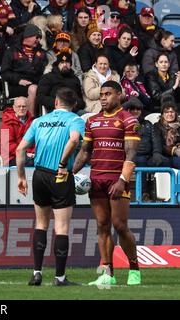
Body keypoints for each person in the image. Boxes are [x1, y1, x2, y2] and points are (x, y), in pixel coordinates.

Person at [73, 81, 142, 286]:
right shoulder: (92, 121)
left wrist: (123, 179)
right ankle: (107, 272)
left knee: (120, 226)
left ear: (119, 95)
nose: (103, 98)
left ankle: (134, 268)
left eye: (108, 94)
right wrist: (69, 173)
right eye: (101, 94)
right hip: (96, 180)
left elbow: (131, 152)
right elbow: (85, 151)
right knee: (102, 226)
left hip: (117, 180)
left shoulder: (128, 120)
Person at [16, 87, 85, 286]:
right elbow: (73, 139)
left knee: (41, 224)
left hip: (39, 175)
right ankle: (60, 278)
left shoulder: (38, 121)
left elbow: (21, 149)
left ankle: (36, 273)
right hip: (60, 175)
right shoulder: (75, 120)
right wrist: (63, 164)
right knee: (61, 227)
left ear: (55, 102)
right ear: (74, 105)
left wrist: (21, 176)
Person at [124, 98, 168, 202]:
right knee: (140, 161)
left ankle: (171, 194)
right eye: (132, 109)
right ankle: (143, 193)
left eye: (138, 109)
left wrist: (157, 153)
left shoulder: (148, 124)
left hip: (147, 156)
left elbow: (156, 140)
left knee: (171, 162)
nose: (135, 111)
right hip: (127, 156)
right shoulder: (122, 123)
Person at [0, 24, 48, 117]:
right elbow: (4, 72)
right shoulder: (12, 51)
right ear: (27, 36)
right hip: (17, 85)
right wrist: (19, 80)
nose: (38, 40)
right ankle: (30, 119)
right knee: (33, 89)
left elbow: (44, 71)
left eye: (40, 38)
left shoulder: (41, 53)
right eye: (36, 37)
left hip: (37, 83)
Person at [0, 97, 34, 167]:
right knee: (30, 163)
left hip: (30, 155)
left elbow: (37, 141)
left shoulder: (33, 122)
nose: (21, 108)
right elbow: (6, 145)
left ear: (28, 107)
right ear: (14, 108)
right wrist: (25, 153)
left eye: (24, 106)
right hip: (11, 157)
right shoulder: (6, 123)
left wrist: (33, 152)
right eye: (19, 106)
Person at [152, 98, 180, 170]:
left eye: (172, 112)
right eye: (166, 112)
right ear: (162, 114)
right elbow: (158, 144)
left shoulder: (179, 125)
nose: (170, 114)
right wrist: (174, 150)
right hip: (163, 155)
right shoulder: (157, 126)